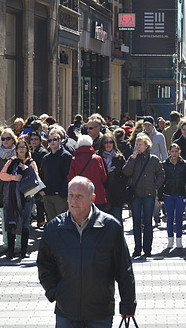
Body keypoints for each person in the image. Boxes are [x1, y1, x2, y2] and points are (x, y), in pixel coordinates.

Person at [37, 176, 136, 327]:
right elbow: (44, 264)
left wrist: (128, 304)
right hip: (66, 312)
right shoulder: (54, 228)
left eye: (79, 196)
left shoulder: (110, 227)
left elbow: (124, 269)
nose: (73, 201)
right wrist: (54, 292)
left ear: (92, 198)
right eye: (71, 195)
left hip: (100, 313)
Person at [122, 135, 165, 259]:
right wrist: (132, 159)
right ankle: (137, 249)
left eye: (140, 144)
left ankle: (147, 249)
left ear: (147, 146)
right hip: (136, 194)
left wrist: (155, 186)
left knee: (148, 222)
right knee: (136, 222)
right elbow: (126, 172)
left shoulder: (154, 159)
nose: (138, 146)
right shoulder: (133, 158)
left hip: (149, 195)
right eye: (137, 144)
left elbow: (161, 175)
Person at [0, 139, 38, 259]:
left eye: (23, 147)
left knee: (25, 224)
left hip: (26, 197)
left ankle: (23, 250)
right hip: (12, 197)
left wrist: (24, 168)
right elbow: (1, 175)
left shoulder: (31, 162)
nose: (21, 149)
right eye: (19, 147)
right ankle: (10, 250)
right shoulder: (11, 161)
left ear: (27, 149)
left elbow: (35, 178)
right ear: (16, 149)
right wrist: (13, 177)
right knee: (11, 222)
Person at [159, 143, 186, 249]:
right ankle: (170, 239)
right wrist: (160, 197)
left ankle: (179, 239)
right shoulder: (165, 164)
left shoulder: (184, 164)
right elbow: (161, 181)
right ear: (169, 152)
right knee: (169, 218)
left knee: (179, 218)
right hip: (168, 195)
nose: (174, 154)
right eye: (172, 151)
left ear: (179, 152)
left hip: (180, 195)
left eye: (176, 151)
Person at [0, 128, 17, 249]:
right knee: (4, 216)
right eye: (3, 139)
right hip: (2, 189)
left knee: (17, 215)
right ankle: (6, 243)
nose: (6, 141)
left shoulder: (19, 151)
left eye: (8, 138)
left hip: (17, 188)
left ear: (13, 139)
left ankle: (18, 243)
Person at [67, 135, 108, 212]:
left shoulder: (74, 160)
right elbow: (104, 177)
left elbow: (70, 179)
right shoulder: (97, 159)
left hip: (81, 194)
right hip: (97, 194)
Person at [40, 129, 72, 222]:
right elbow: (41, 175)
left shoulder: (66, 156)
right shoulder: (46, 158)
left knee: (62, 222)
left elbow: (68, 176)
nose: (52, 142)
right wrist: (41, 190)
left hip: (60, 196)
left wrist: (63, 193)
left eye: (55, 139)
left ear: (60, 141)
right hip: (47, 195)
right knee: (51, 222)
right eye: (50, 140)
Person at [98, 135, 127, 223]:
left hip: (116, 195)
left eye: (110, 142)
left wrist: (121, 189)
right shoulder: (98, 157)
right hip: (102, 195)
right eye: (106, 142)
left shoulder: (119, 157)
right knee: (103, 223)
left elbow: (125, 175)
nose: (108, 144)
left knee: (117, 221)